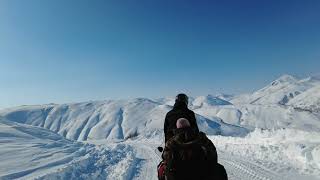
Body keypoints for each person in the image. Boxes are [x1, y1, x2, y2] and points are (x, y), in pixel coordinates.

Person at [158, 118, 227, 180]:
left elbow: (166, 158)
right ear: (189, 125)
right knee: (219, 168)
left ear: (177, 128)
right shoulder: (202, 138)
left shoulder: (171, 142)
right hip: (203, 175)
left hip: (179, 176)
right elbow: (213, 155)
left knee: (162, 168)